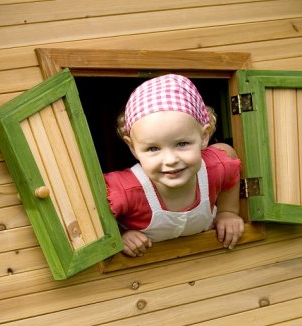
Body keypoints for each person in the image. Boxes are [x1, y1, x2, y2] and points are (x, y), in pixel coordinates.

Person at [104, 74, 244, 257]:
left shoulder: (214, 167)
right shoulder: (124, 190)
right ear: (132, 147)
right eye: (153, 148)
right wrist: (119, 235)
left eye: (182, 144)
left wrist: (228, 211)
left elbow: (229, 158)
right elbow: (89, 211)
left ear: (204, 137)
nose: (170, 160)